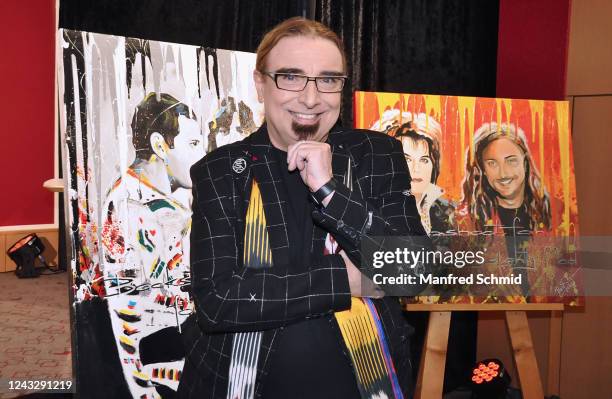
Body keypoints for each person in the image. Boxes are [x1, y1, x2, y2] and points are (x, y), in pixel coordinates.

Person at [179, 17, 429, 399]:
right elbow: (219, 301)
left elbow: (413, 270)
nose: (311, 98)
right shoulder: (221, 171)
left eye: (328, 80)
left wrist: (329, 190)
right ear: (260, 84)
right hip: (241, 385)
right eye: (291, 77)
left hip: (365, 385)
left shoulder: (376, 154)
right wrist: (348, 280)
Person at [101, 92, 204, 397]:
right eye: (194, 144)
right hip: (164, 361)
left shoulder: (173, 198)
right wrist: (143, 390)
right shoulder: (130, 204)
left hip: (185, 348)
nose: (202, 155)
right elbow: (127, 310)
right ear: (160, 145)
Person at [391, 116, 455, 235]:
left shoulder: (450, 212)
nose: (416, 168)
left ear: (434, 166)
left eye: (424, 160)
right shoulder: (378, 211)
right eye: (407, 159)